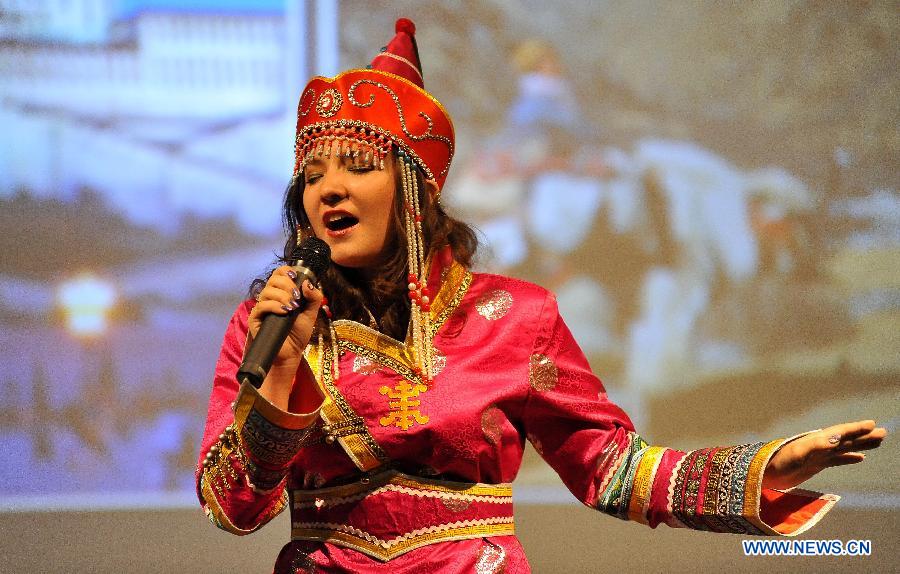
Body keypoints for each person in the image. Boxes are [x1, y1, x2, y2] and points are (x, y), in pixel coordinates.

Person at [197, 19, 886, 573]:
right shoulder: (272, 322)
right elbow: (234, 510)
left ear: (413, 190)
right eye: (312, 174)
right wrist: (283, 370)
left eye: (357, 167)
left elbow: (613, 471)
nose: (329, 189)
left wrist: (766, 467)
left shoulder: (515, 316)